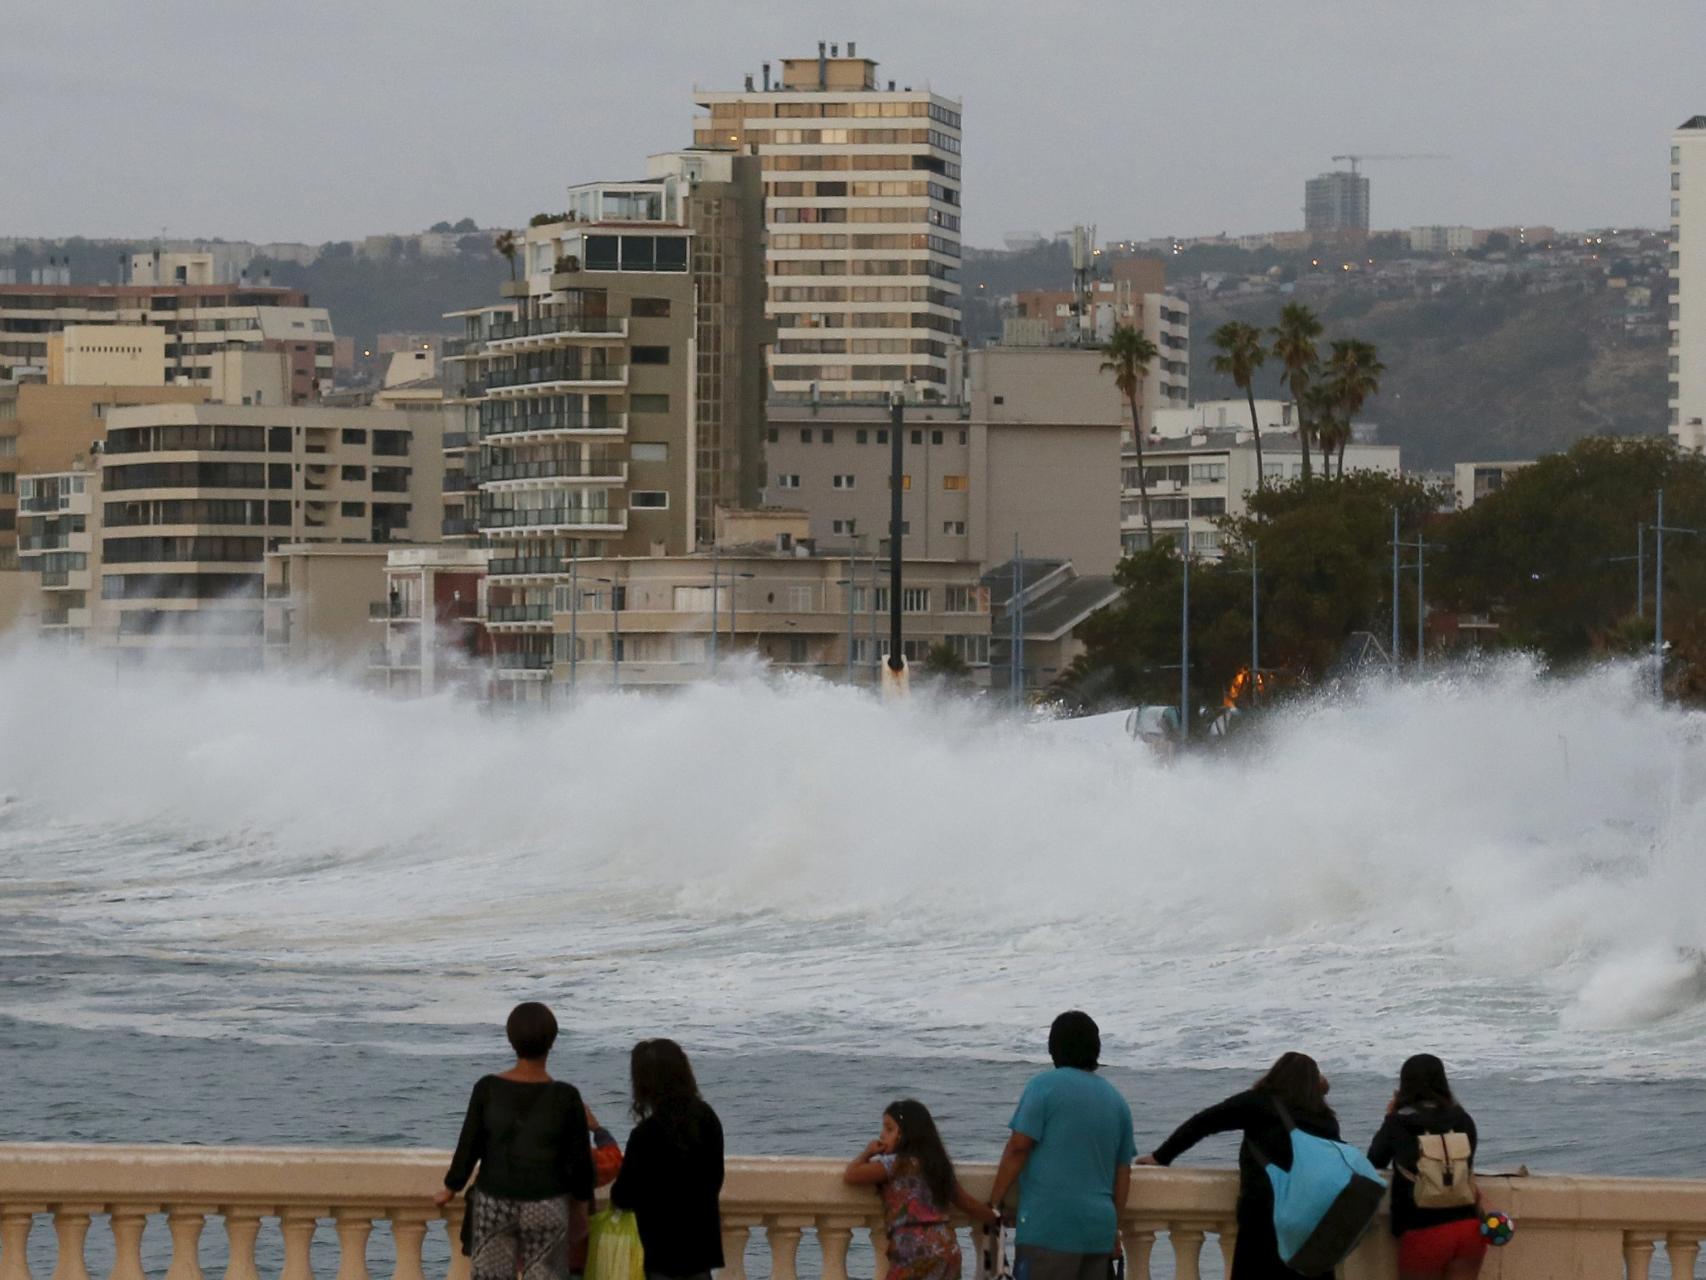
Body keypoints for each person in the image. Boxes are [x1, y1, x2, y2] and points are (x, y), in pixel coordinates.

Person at [1137, 1051, 1339, 1280]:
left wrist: (1161, 1156)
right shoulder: (1325, 1120)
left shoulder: (1259, 1102)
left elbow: (1203, 1122)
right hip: (1313, 1222)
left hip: (1262, 1217)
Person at [436, 1002, 596, 1280]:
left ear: (511, 1040)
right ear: (552, 1041)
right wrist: (581, 1211)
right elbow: (579, 1162)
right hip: (547, 1202)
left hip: (495, 1200)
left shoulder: (487, 1088)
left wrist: (451, 1188)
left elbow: (469, 1146)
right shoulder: (566, 1096)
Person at [987, 1011, 1135, 1280]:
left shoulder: (1043, 1087)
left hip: (1049, 1228)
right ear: (1096, 1049)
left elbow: (1019, 1146)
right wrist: (1114, 1225)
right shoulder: (1117, 1101)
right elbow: (1123, 1172)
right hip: (1098, 1231)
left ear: (1053, 1049)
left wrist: (994, 1202)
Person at [843, 1099, 1000, 1280]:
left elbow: (851, 1175)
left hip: (911, 1250)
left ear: (903, 1134)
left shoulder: (895, 1163)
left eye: (888, 1129)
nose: (882, 1135)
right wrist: (996, 1218)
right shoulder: (938, 1165)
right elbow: (966, 1203)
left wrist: (868, 1152)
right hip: (945, 1246)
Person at [609, 1039, 725, 1280]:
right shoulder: (707, 1119)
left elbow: (623, 1195)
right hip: (699, 1248)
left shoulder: (645, 1135)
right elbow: (715, 1178)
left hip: (659, 1253)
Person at [1367, 1054, 1485, 1280]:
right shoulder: (1463, 1119)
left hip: (1421, 1229)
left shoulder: (1398, 1122)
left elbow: (1375, 1160)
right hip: (1468, 1227)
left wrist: (1390, 1115)